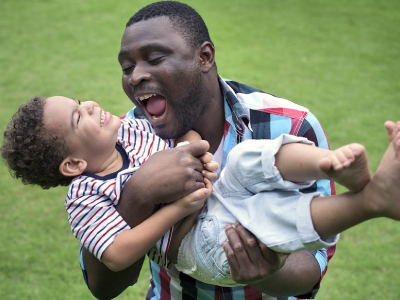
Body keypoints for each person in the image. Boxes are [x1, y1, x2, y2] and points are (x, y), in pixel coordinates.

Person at [79, 1, 338, 299]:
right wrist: (138, 192)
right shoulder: (119, 143)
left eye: (154, 58)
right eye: (127, 67)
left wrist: (271, 270)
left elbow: (312, 268)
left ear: (204, 56)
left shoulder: (291, 126)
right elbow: (103, 285)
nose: (135, 76)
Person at [3, 95, 400, 289]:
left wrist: (196, 153)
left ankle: (329, 165)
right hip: (196, 244)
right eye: (78, 115)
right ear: (72, 165)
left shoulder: (133, 127)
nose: (90, 103)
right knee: (265, 222)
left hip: (215, 189)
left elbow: (185, 138)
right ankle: (369, 203)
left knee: (247, 156)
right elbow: (117, 254)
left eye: (79, 102)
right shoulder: (85, 196)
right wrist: (177, 208)